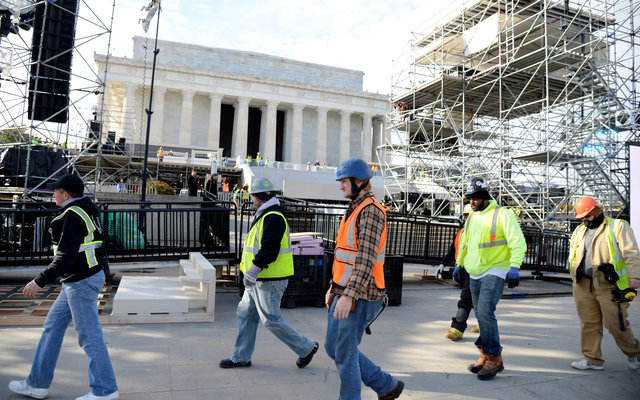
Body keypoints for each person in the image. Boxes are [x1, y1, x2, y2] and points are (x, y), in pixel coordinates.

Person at [9, 174, 119, 400]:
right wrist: (104, 273)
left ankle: (105, 390)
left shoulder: (70, 216)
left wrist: (38, 281)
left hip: (80, 281)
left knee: (89, 336)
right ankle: (37, 384)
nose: (53, 195)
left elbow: (65, 258)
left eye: (56, 191)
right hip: (81, 279)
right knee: (52, 326)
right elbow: (99, 248)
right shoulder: (88, 211)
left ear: (65, 194)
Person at [219, 177, 319, 369]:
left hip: (269, 279)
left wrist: (252, 272)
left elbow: (269, 251)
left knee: (270, 319)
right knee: (245, 314)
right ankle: (241, 357)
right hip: (257, 278)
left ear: (260, 197)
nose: (252, 201)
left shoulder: (273, 217)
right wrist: (249, 273)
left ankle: (306, 347)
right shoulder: (265, 214)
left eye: (253, 197)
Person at [325, 158, 404, 400]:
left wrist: (348, 296)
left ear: (358, 182)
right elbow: (345, 256)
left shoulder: (371, 212)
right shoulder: (356, 208)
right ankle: (386, 385)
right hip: (343, 290)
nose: (340, 187)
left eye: (343, 182)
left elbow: (366, 259)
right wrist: (333, 287)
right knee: (333, 347)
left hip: (360, 295)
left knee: (346, 355)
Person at [455, 177, 526, 380]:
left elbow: (517, 242)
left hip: (495, 270)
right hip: (475, 272)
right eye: (469, 198)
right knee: (480, 315)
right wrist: (459, 264)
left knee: (485, 311)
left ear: (485, 196)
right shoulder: (472, 217)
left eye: (475, 198)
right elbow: (464, 243)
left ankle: (494, 358)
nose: (472, 202)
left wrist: (514, 267)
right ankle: (486, 354)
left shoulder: (503, 214)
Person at [568, 196, 640, 370]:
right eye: (582, 217)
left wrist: (635, 275)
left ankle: (634, 354)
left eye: (587, 216)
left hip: (610, 287)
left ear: (597, 211)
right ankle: (592, 359)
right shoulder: (579, 231)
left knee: (616, 323)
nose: (584, 220)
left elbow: (631, 252)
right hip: (583, 285)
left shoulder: (618, 226)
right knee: (589, 323)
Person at [438, 204, 476, 341]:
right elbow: (453, 250)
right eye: (464, 216)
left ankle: (457, 329)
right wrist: (443, 263)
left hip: (476, 270)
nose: (465, 218)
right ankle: (483, 326)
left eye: (468, 215)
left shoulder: (480, 232)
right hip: (463, 270)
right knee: (476, 300)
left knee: (466, 300)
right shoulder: (461, 232)